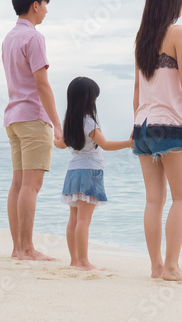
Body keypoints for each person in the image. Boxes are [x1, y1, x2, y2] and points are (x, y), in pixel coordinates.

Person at [131, 0, 182, 281]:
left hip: (143, 126)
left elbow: (137, 89)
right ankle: (172, 267)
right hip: (171, 124)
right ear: (176, 1)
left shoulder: (142, 38)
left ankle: (156, 267)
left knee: (153, 200)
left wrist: (136, 125)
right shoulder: (179, 32)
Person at [2, 0, 63, 261]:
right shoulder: (34, 38)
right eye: (45, 5)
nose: (47, 11)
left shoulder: (9, 38)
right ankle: (27, 248)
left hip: (13, 118)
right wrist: (57, 124)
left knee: (17, 184)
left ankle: (18, 248)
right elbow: (42, 84)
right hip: (32, 117)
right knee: (30, 186)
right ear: (35, 5)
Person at [53, 76, 133, 270]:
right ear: (89, 99)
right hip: (89, 172)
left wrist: (52, 139)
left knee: (73, 219)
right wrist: (130, 143)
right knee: (83, 220)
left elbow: (61, 145)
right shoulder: (89, 122)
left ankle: (74, 261)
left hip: (73, 172)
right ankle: (83, 262)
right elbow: (105, 144)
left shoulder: (69, 122)